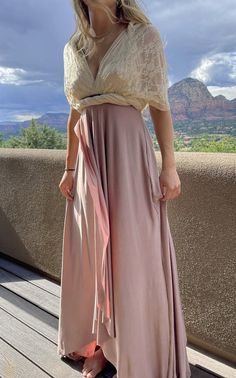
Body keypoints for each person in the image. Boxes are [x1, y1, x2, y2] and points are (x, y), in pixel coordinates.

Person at [57, 1, 192, 377]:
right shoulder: (74, 48)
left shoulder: (142, 37)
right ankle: (99, 345)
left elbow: (159, 104)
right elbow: (74, 111)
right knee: (92, 252)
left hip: (128, 156)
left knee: (132, 251)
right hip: (88, 161)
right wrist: (69, 168)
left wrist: (169, 166)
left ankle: (135, 346)